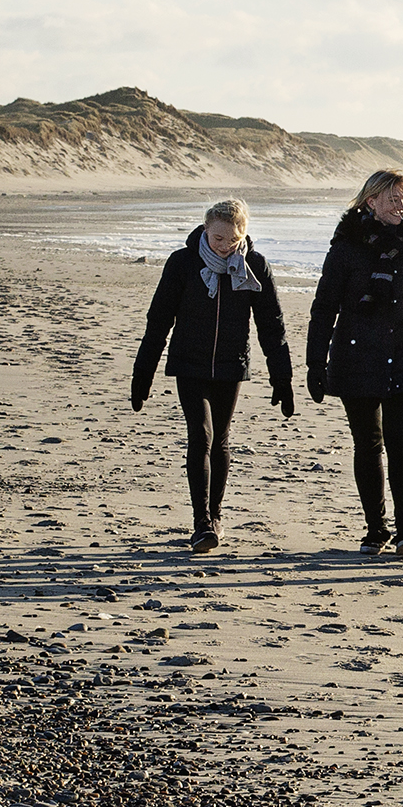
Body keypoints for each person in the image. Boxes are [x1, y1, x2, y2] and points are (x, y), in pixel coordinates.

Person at [130, 198, 294, 554]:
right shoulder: (182, 263)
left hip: (231, 365)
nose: (222, 246)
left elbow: (272, 326)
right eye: (216, 238)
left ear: (243, 234)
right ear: (206, 230)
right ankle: (201, 521)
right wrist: (143, 371)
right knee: (200, 435)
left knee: (221, 438)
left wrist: (282, 378)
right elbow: (159, 320)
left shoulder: (255, 267)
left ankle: (215, 516)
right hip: (189, 363)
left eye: (230, 240)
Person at [306, 168, 403, 557]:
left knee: (401, 443)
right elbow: (324, 307)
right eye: (393, 198)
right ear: (371, 201)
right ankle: (377, 529)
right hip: (354, 356)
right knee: (368, 444)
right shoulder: (346, 246)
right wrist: (314, 364)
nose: (401, 206)